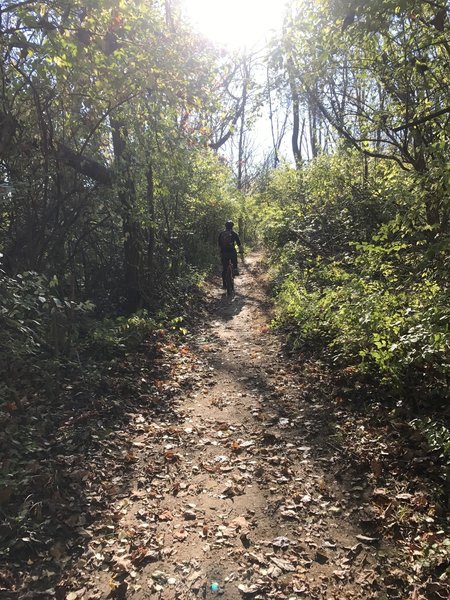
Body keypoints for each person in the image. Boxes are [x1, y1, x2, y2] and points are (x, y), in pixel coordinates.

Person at [218, 220, 243, 289]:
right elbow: (239, 244)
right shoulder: (234, 233)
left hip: (224, 253)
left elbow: (219, 245)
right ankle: (235, 269)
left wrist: (220, 253)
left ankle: (224, 285)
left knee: (224, 269)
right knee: (234, 262)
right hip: (232, 252)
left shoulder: (221, 234)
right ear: (232, 226)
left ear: (225, 226)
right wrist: (241, 251)